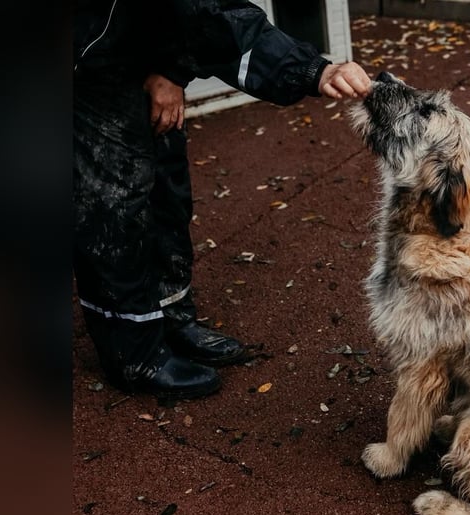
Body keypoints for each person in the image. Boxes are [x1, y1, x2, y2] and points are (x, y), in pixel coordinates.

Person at [74, 0, 371, 400]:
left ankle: (173, 318)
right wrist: (312, 70)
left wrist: (170, 70)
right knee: (114, 199)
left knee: (166, 183)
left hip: (129, 33)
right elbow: (207, 11)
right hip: (84, 54)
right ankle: (134, 352)